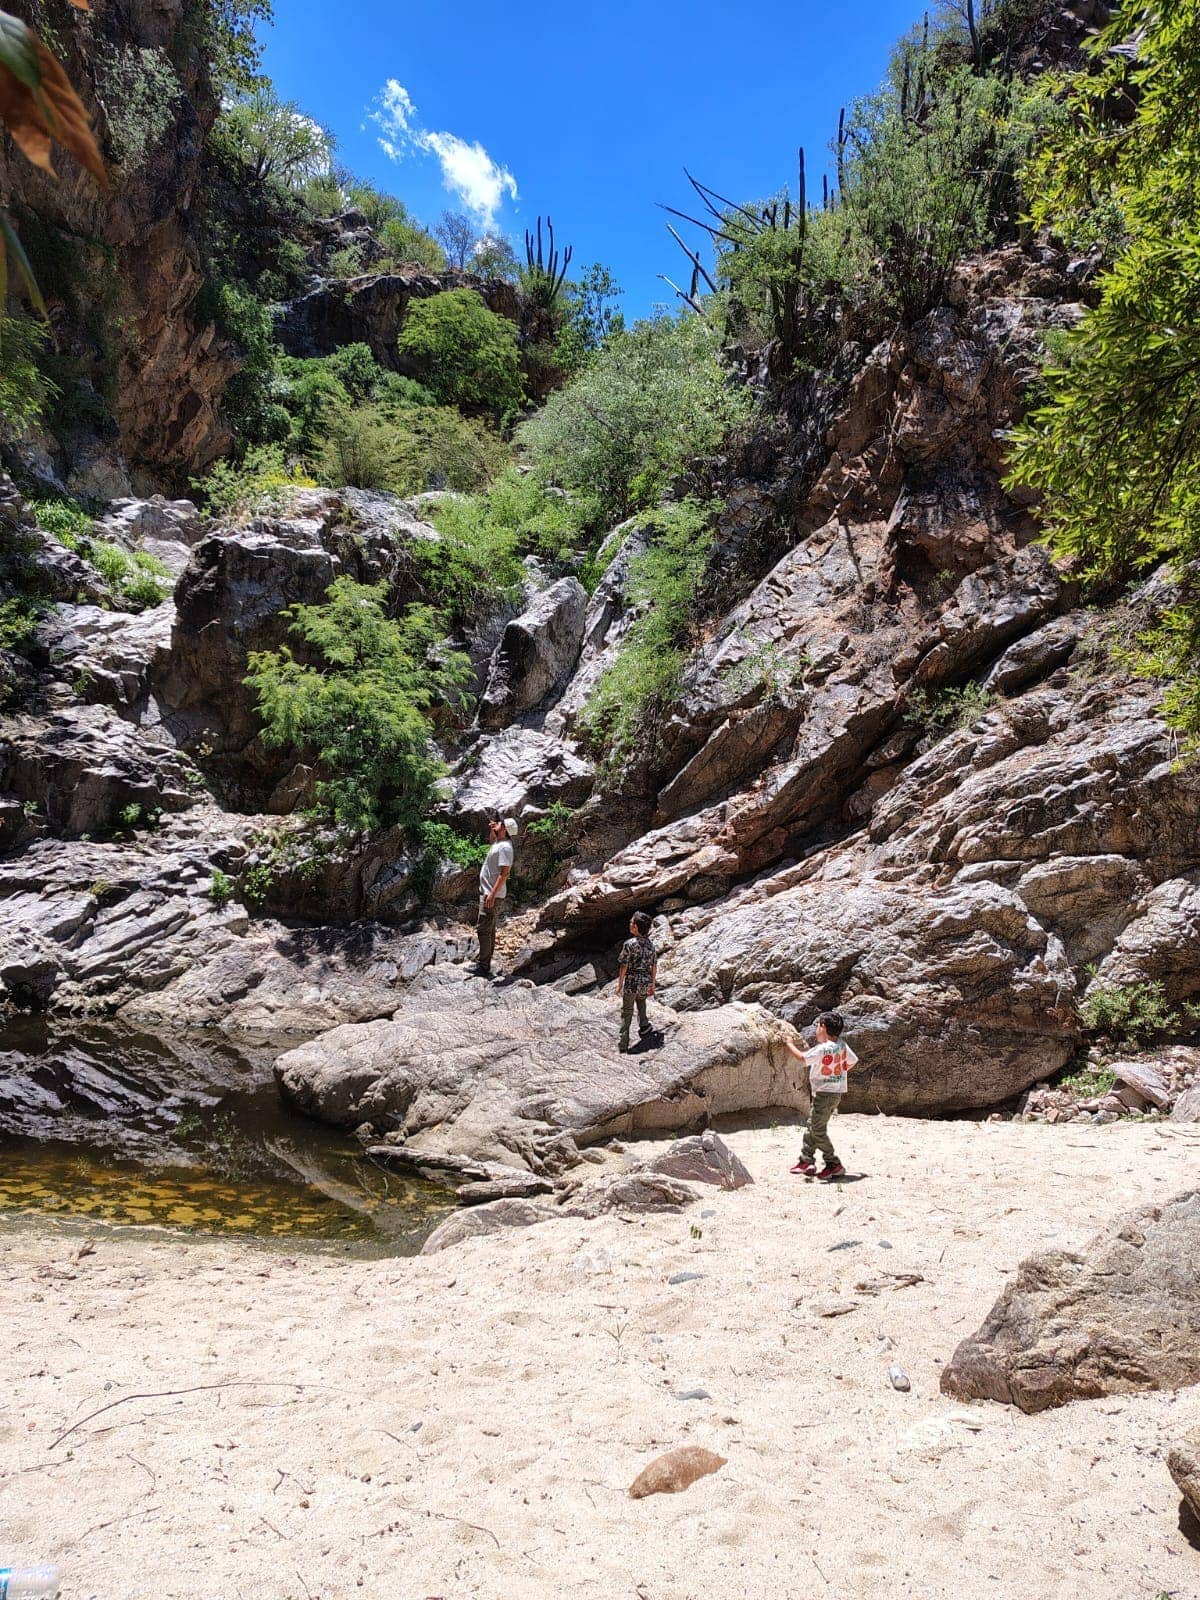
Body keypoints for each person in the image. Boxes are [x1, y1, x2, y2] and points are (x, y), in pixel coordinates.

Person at [784, 1010, 858, 1181]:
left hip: (824, 1094)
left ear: (823, 1027)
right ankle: (806, 1160)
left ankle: (833, 1164)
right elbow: (853, 1061)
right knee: (813, 1124)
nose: (816, 1029)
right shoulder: (841, 1045)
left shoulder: (823, 1049)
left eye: (818, 1025)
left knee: (817, 1129)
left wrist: (789, 1044)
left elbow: (802, 1058)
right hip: (836, 1093)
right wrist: (838, 1072)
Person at [475, 815, 518, 977]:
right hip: (488, 892)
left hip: (491, 894)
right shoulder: (499, 843)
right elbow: (491, 840)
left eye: (500, 823)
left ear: (505, 829)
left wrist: (492, 895)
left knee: (483, 930)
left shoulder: (505, 848)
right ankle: (484, 964)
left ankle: (483, 966)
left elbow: (504, 873)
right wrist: (492, 829)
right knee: (489, 929)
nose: (497, 823)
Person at [616, 910, 658, 1053]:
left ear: (636, 927)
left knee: (627, 1011)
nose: (630, 924)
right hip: (645, 981)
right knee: (641, 1002)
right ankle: (645, 1026)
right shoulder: (651, 945)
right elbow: (653, 966)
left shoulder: (629, 944)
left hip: (632, 981)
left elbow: (624, 965)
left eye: (631, 922)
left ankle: (623, 1042)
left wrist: (620, 983)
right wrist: (652, 984)